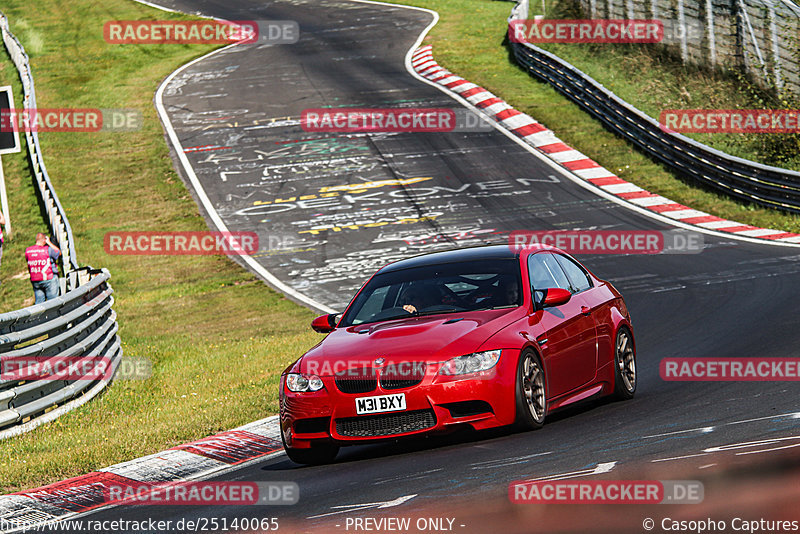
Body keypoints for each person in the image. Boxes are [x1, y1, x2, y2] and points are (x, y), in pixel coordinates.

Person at [25, 233, 61, 304]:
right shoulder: (48, 250)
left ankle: (40, 315)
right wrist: (49, 242)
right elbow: (58, 252)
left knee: (39, 303)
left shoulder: (28, 251)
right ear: (44, 240)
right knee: (53, 303)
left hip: (35, 280)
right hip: (49, 278)